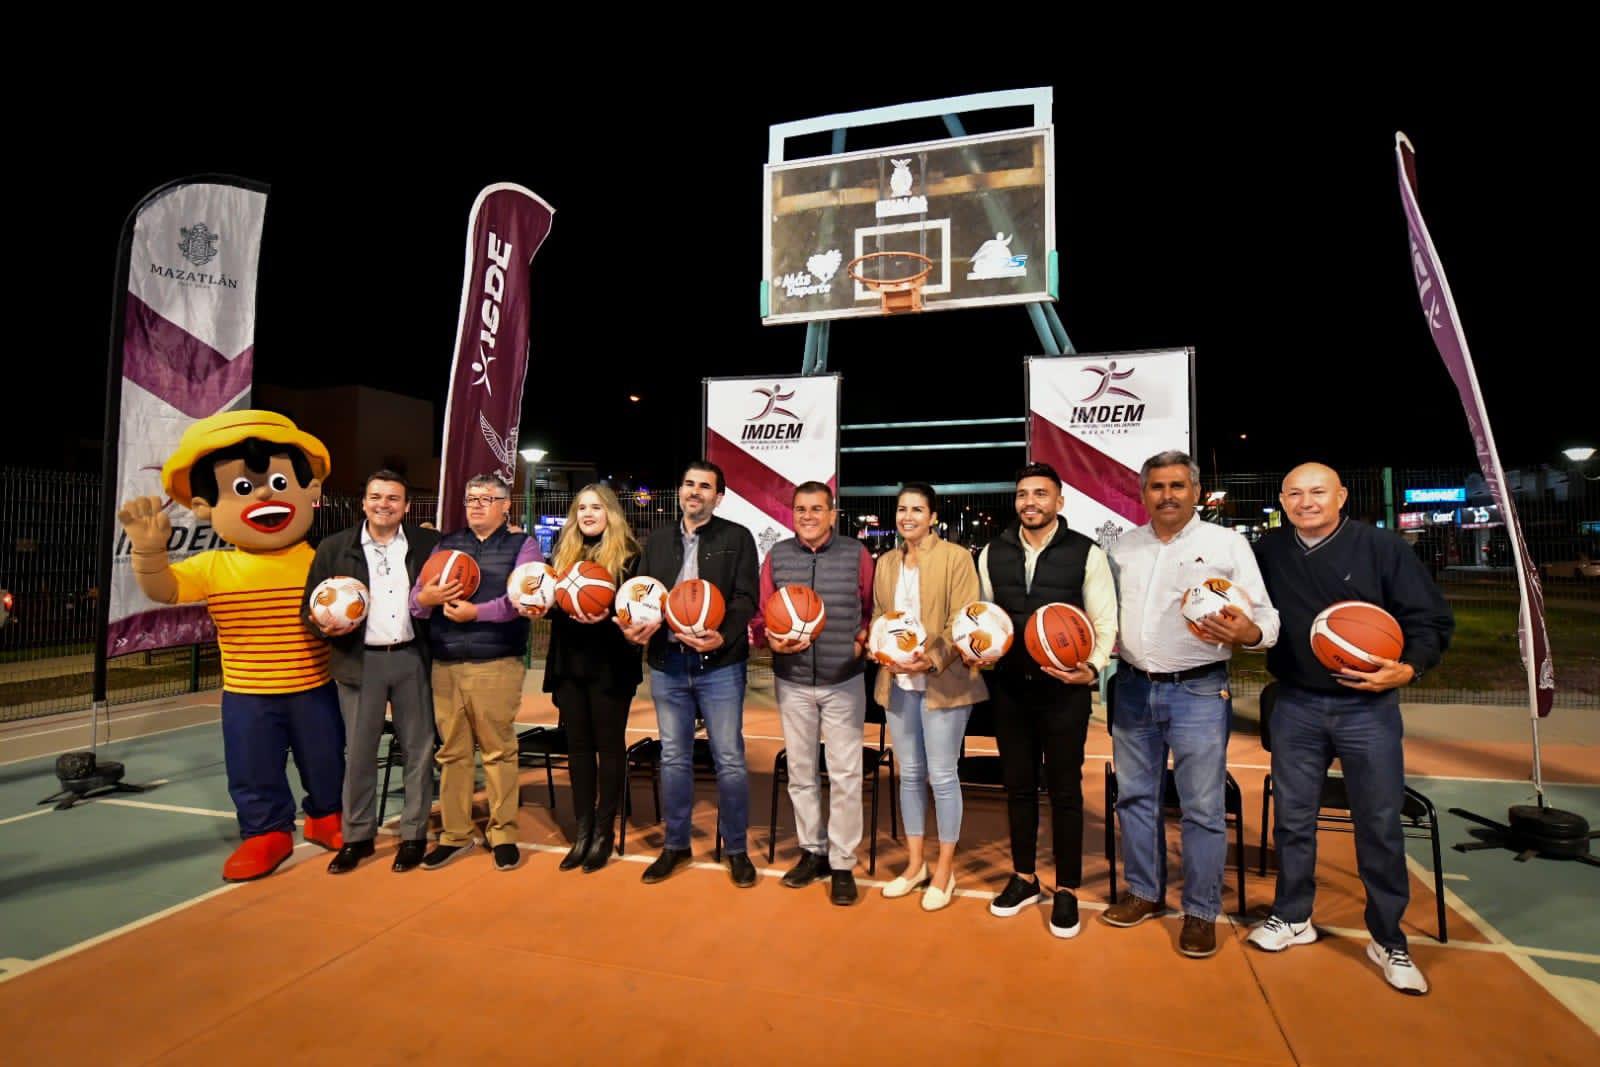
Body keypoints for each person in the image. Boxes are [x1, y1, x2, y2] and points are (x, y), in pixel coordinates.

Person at [1246, 462, 1453, 995]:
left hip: (1369, 708)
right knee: (1293, 819)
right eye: (1294, 492)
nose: (1306, 501)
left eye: (1317, 491)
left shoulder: (1382, 548)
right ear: (1283, 500)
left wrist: (1409, 666)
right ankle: (1294, 916)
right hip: (1294, 703)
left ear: (1340, 495)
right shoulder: (1266, 552)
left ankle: (1388, 938)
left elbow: (1429, 621)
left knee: (1378, 824)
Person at [117, 410, 344, 881]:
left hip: (315, 685)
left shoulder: (323, 560)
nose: (263, 494)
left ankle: (328, 816)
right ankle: (266, 832)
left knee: (325, 755)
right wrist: (149, 551)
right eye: (243, 488)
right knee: (252, 765)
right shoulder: (212, 567)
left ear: (311, 492)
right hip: (248, 693)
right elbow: (163, 589)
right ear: (203, 506)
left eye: (280, 484)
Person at [1101, 451, 1279, 957]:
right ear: (1143, 494)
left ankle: (1200, 911)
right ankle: (1143, 892)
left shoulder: (1226, 544)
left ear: (1196, 492)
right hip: (1134, 687)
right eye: (1157, 486)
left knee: (1201, 808)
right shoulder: (1123, 548)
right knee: (1135, 798)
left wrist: (1249, 632)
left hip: (1199, 690)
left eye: (1178, 485)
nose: (1168, 495)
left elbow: (1267, 619)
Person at [974, 463, 1117, 938]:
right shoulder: (993, 551)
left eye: (1040, 493)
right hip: (1011, 689)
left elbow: (1104, 620)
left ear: (1059, 501)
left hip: (1064, 691)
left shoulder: (1086, 553)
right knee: (1016, 786)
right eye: (1021, 494)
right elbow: (988, 616)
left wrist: (1091, 668)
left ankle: (1068, 888)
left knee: (1064, 790)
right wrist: (979, 648)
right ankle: (1024, 878)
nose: (1029, 501)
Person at [625, 461, 760, 887]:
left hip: (719, 664)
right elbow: (643, 594)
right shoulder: (658, 541)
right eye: (688, 484)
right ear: (680, 491)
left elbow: (745, 598)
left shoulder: (736, 538)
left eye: (705, 486)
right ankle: (676, 845)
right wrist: (635, 622)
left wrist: (722, 635)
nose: (695, 491)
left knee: (730, 760)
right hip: (669, 663)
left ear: (718, 496)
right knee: (674, 758)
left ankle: (736, 848)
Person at [305, 470, 440, 875]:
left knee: (418, 750)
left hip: (412, 657)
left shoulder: (427, 544)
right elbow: (308, 608)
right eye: (376, 496)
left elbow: (467, 559)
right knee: (360, 753)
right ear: (363, 502)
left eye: (393, 498)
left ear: (407, 506)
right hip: (359, 660)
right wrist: (323, 626)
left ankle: (413, 835)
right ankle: (358, 837)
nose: (384, 504)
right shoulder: (333, 548)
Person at [410, 474, 543, 873]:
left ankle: (503, 832)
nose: (477, 504)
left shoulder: (524, 545)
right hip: (446, 660)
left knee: (498, 750)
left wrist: (477, 612)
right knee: (452, 753)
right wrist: (426, 598)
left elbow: (525, 599)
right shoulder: (446, 545)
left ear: (506, 505)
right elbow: (417, 602)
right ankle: (455, 834)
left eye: (488, 498)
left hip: (496, 662)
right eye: (471, 498)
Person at [757, 482, 873, 906]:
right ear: (793, 513)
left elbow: (871, 607)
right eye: (801, 509)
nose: (808, 516)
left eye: (816, 508)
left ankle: (842, 861)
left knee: (845, 775)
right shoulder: (777, 556)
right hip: (793, 680)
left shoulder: (857, 554)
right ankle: (813, 851)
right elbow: (761, 613)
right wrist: (770, 639)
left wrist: (861, 639)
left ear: (832, 512)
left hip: (844, 679)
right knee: (802, 773)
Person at [871, 482, 986, 910]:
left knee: (942, 775)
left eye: (917, 509)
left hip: (944, 684)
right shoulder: (884, 562)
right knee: (910, 775)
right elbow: (880, 617)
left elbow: (965, 618)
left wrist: (931, 659)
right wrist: (881, 649)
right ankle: (916, 864)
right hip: (897, 685)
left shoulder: (957, 558)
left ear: (933, 516)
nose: (908, 517)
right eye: (902, 509)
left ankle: (944, 870)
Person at [525, 484, 643, 873]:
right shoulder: (561, 556)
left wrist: (608, 617)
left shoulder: (630, 557)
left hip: (611, 662)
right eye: (582, 509)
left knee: (608, 747)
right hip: (570, 661)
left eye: (596, 507)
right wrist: (542, 607)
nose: (588, 514)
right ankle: (583, 829)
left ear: (611, 512)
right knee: (576, 747)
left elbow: (638, 612)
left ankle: (605, 830)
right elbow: (551, 608)